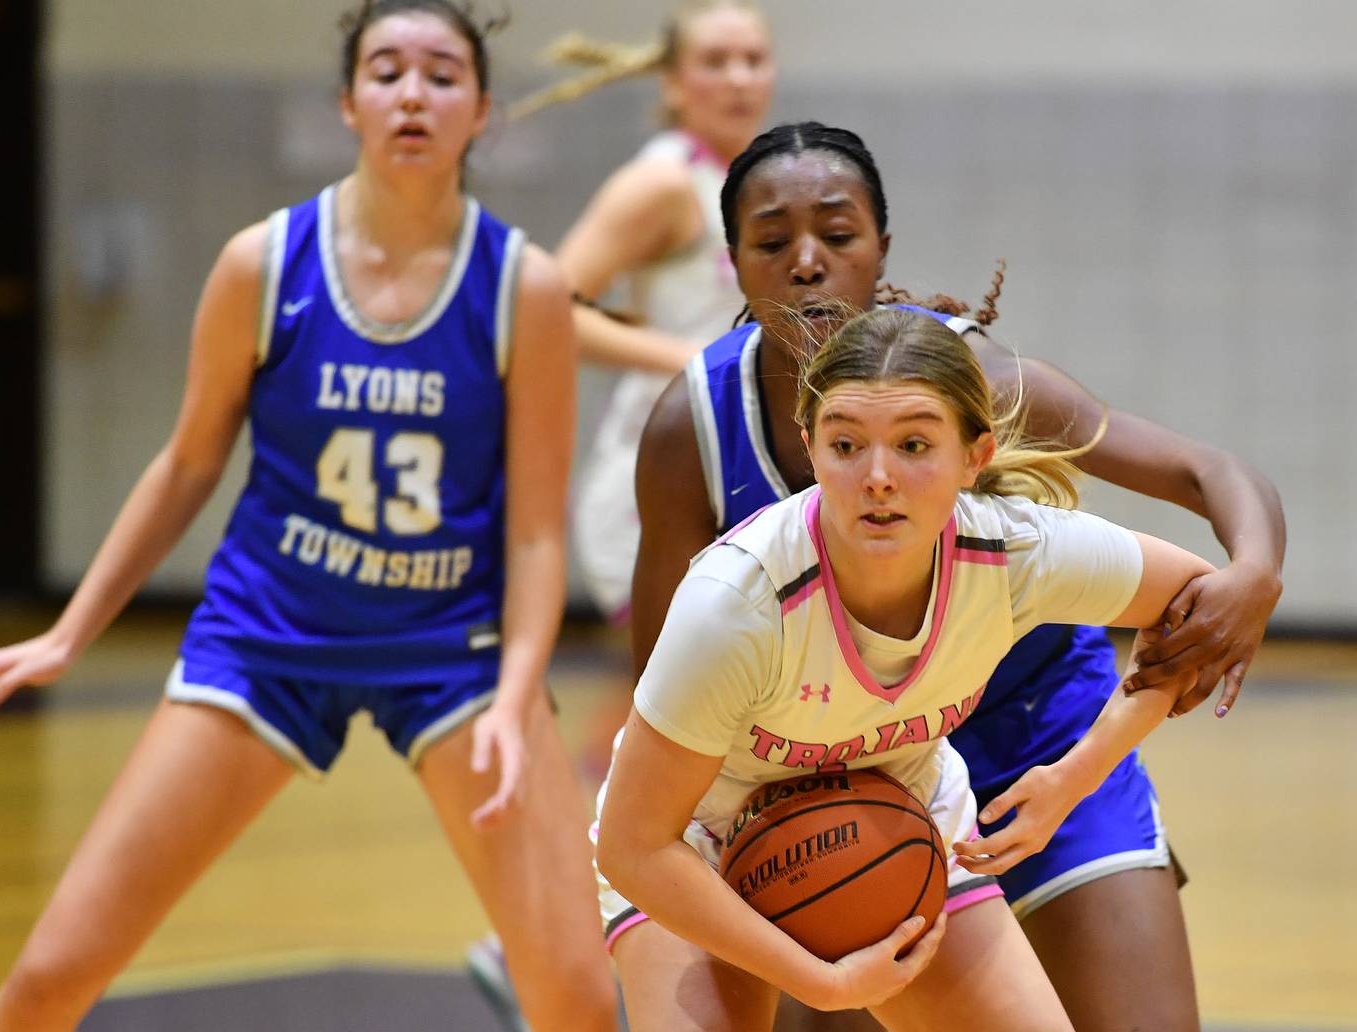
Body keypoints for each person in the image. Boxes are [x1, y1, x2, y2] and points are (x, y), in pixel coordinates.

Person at [0, 4, 617, 1030]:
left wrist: (520, 697)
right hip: (268, 638)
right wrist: (67, 633)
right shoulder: (262, 265)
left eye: (442, 75)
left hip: (452, 650)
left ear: (483, 111)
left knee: (574, 1000)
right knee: (50, 976)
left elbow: (533, 528)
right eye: (386, 71)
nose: (412, 94)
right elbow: (184, 464)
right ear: (348, 103)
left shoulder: (524, 286)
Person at [628, 122, 1285, 1030]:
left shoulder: (987, 429)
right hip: (807, 778)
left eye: (838, 234)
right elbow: (655, 701)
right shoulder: (701, 452)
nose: (808, 263)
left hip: (1030, 735)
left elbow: (1201, 477)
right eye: (774, 243)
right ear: (734, 262)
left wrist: (1254, 573)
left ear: (974, 454)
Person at [598, 305, 1220, 1030]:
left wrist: (1073, 778)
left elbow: (1199, 606)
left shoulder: (1012, 553)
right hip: (697, 849)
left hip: (903, 826)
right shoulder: (737, 603)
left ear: (974, 456)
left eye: (915, 444)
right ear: (810, 448)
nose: (879, 477)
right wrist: (821, 983)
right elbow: (633, 845)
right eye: (846, 445)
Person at [512, 0, 773, 622]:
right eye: (715, 62)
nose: (738, 77)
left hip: (727, 460)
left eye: (753, 60)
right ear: (674, 83)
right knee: (668, 701)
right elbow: (544, 312)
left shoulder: (751, 178)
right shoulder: (663, 181)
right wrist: (697, 362)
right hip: (660, 469)